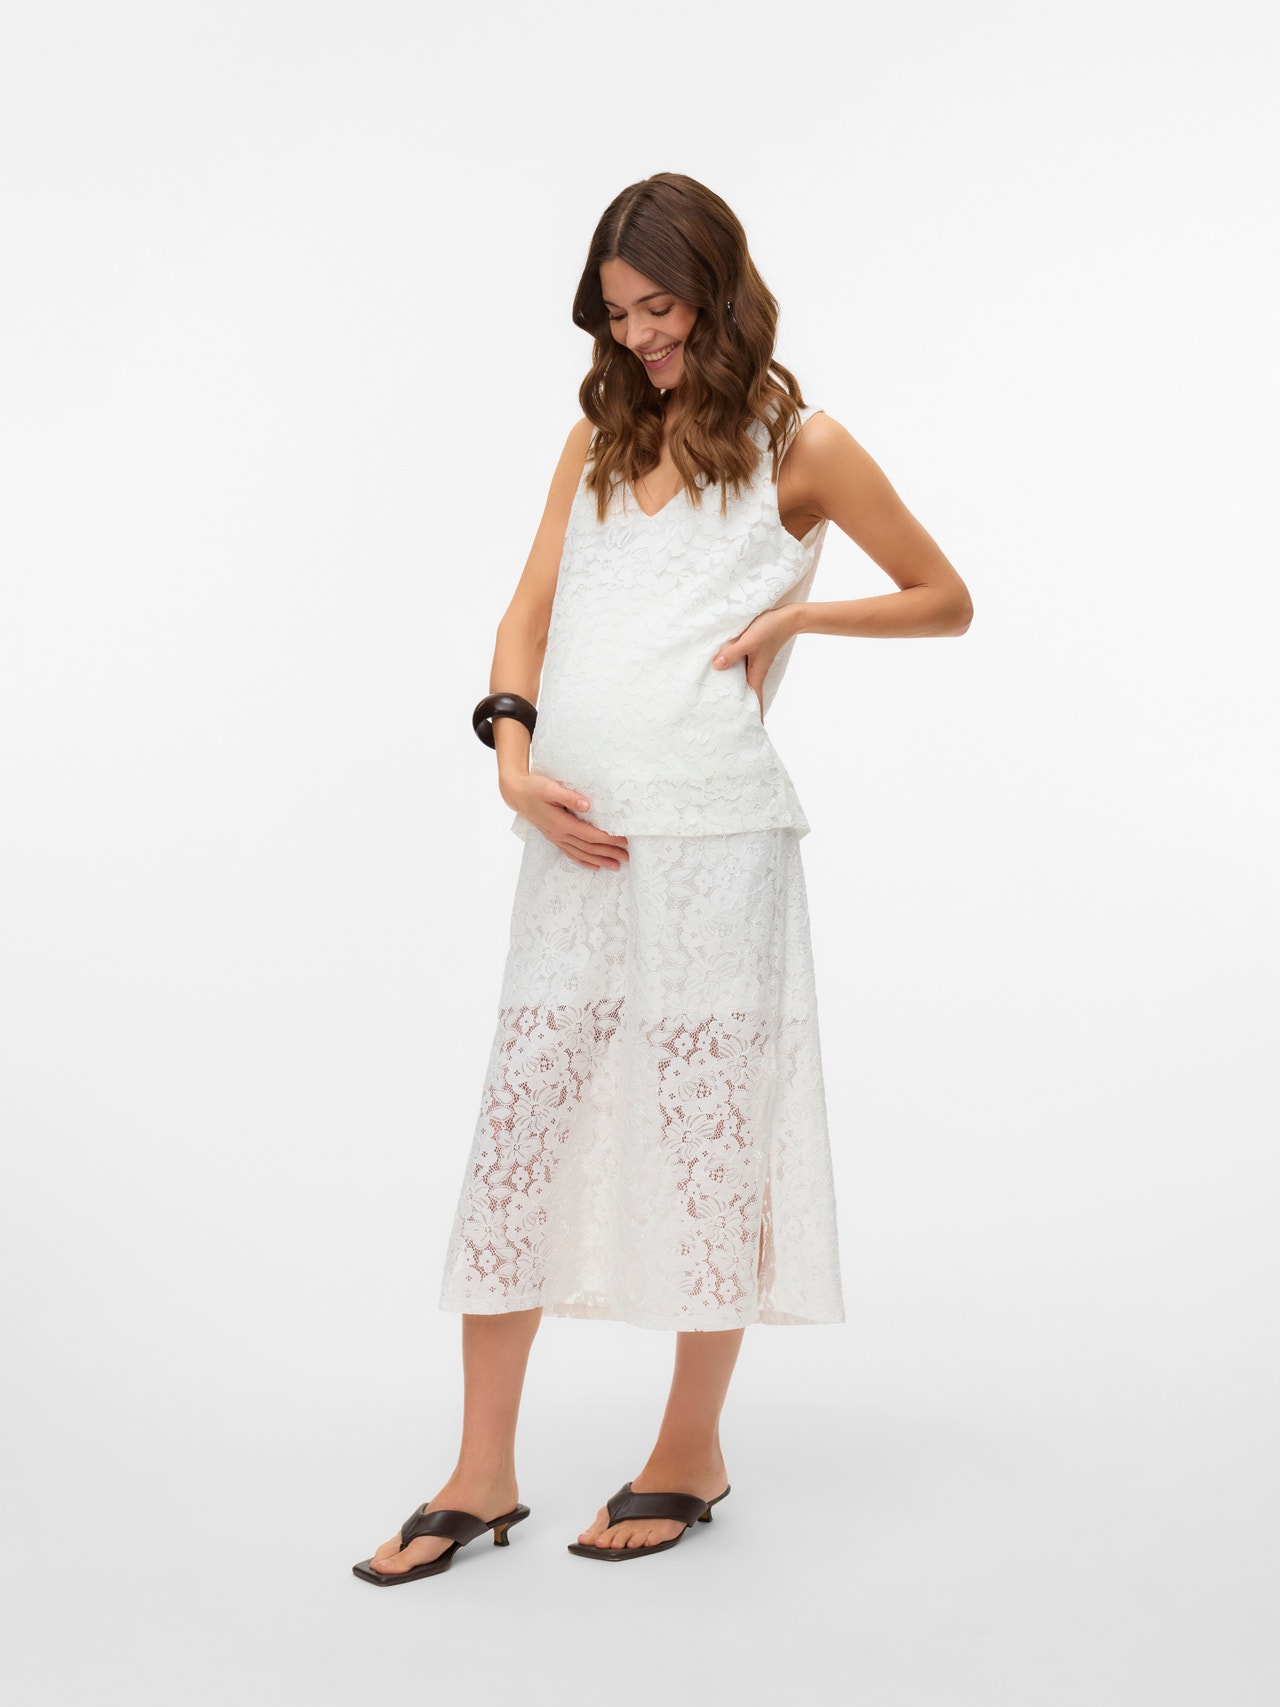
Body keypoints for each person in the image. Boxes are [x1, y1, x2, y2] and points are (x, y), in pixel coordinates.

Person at [352, 172, 973, 1583]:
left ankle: (689, 1452)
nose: (638, 337)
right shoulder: (595, 440)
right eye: (616, 313)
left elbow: (945, 596)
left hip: (716, 848)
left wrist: (798, 617)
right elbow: (527, 614)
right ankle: (481, 1472)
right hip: (572, 840)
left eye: (660, 308)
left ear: (719, 292)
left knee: (705, 1142)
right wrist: (512, 758)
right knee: (520, 1139)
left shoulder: (803, 446)